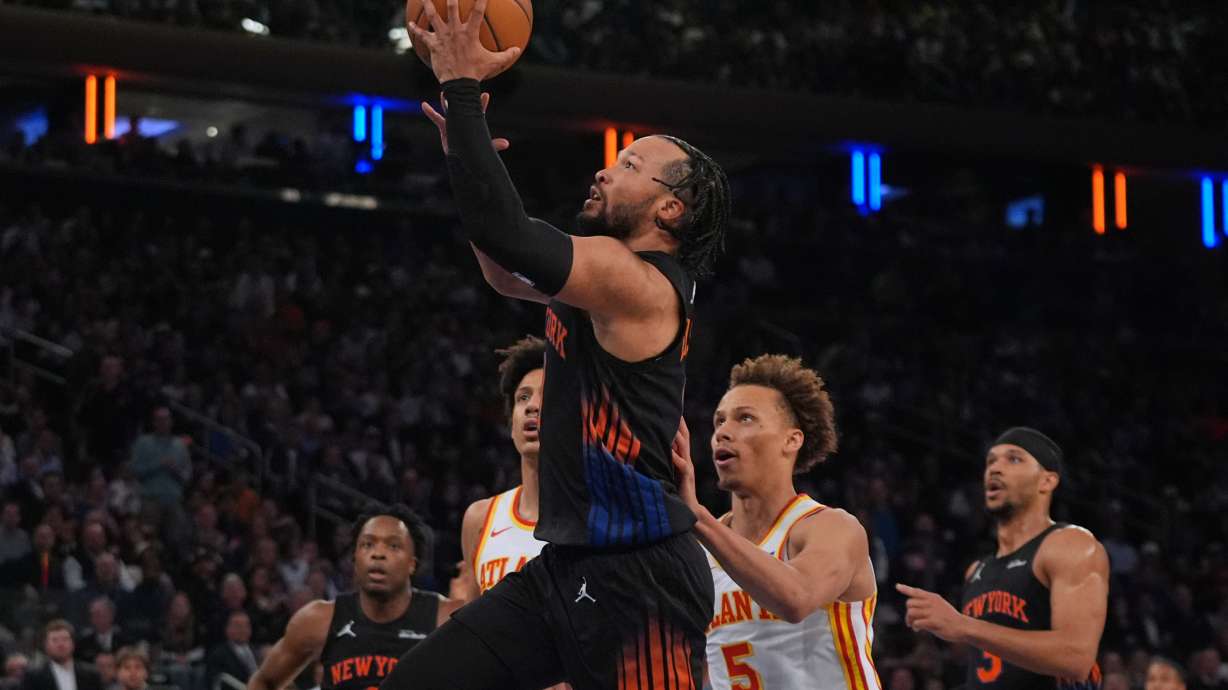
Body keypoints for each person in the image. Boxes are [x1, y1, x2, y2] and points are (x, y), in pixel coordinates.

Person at [393, 0, 730, 687]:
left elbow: (510, 235)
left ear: (671, 209)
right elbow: (503, 264)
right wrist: (465, 149)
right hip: (565, 570)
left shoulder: (640, 284)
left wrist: (462, 93)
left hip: (644, 580)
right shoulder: (598, 282)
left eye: (631, 164)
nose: (607, 169)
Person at [671, 355, 881, 689]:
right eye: (719, 421)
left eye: (745, 418)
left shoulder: (832, 528)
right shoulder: (697, 550)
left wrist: (696, 516)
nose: (723, 432)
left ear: (791, 440)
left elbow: (796, 598)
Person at [896, 427, 1108, 689]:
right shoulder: (976, 570)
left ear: (1047, 481)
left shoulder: (1069, 545)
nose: (995, 468)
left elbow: (1077, 657)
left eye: (1014, 459)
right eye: (991, 461)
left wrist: (964, 626)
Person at [247, 507, 458, 690]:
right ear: (355, 559)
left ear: (412, 563)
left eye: (393, 546)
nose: (378, 554)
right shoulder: (317, 619)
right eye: (368, 544)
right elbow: (264, 681)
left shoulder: (445, 619)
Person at [453, 336, 548, 602]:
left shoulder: (599, 517)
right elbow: (471, 628)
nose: (532, 406)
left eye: (547, 394)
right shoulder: (480, 518)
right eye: (523, 397)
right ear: (511, 424)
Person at [20, 621, 103, 690]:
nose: (61, 644)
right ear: (46, 646)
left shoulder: (91, 675)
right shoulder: (34, 677)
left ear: (73, 644)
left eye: (65, 639)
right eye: (54, 640)